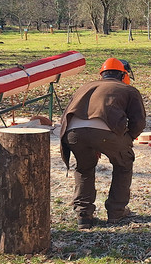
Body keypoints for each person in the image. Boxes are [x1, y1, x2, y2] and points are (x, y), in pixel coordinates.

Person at [60, 58, 146, 229]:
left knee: (84, 168)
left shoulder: (85, 87)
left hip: (73, 132)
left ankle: (83, 215)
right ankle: (116, 211)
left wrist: (91, 139)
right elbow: (138, 122)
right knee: (123, 163)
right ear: (124, 75)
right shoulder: (128, 89)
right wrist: (128, 139)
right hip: (107, 132)